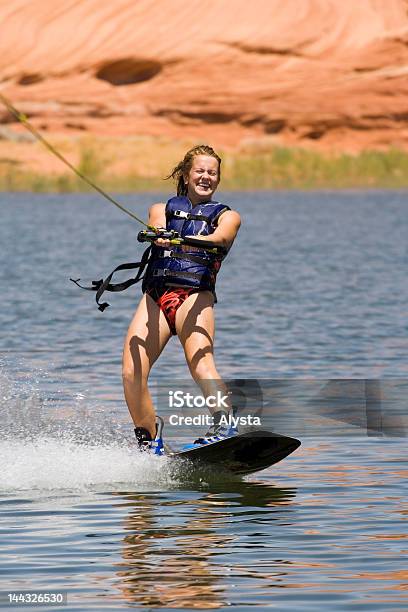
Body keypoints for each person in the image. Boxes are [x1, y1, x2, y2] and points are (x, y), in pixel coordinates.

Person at [122, 145, 241, 454]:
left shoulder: (227, 216)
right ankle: (150, 440)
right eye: (200, 171)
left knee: (201, 362)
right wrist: (160, 235)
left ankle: (225, 424)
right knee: (132, 370)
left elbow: (221, 238)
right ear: (186, 175)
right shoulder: (160, 208)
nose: (206, 177)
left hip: (194, 295)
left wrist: (187, 239)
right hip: (157, 296)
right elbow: (156, 226)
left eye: (212, 173)